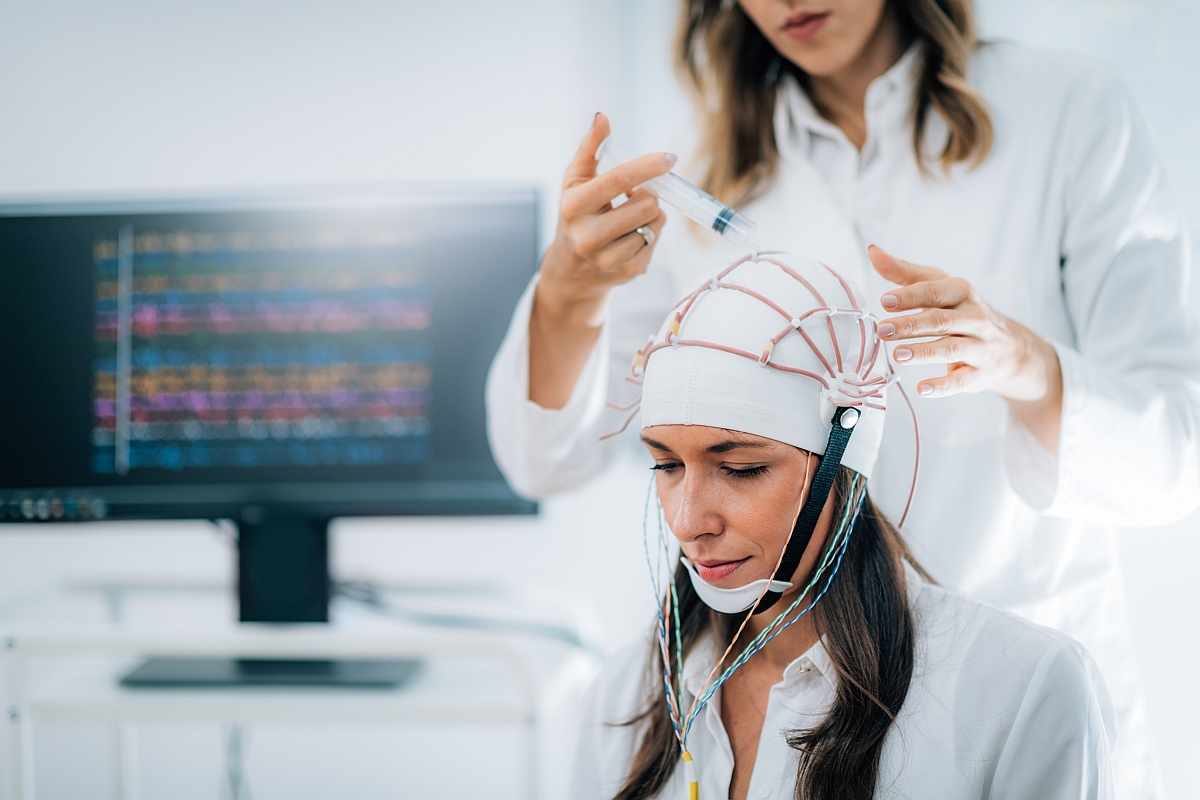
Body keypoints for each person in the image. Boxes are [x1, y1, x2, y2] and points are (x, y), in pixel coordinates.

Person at [486, 1, 1200, 796]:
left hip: (1006, 717)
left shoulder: (1068, 113)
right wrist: (568, 293)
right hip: (785, 691)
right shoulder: (694, 177)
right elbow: (543, 455)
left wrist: (1025, 363)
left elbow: (1176, 455)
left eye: (740, 468)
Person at [567, 253, 1115, 800]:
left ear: (842, 459)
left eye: (741, 470)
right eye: (667, 465)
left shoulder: (1019, 690)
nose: (688, 523)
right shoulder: (620, 698)